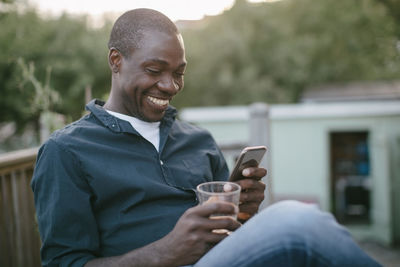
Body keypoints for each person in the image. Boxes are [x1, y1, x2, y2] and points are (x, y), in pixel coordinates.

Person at [31, 8, 381, 267]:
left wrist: (242, 213)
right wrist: (165, 252)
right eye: (155, 71)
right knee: (297, 223)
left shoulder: (198, 141)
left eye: (179, 73)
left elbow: (227, 236)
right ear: (116, 61)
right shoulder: (67, 151)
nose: (170, 86)